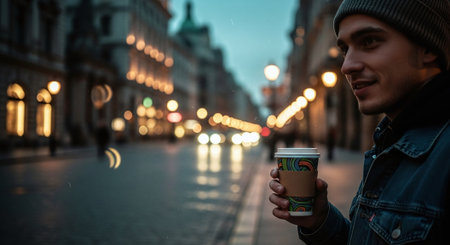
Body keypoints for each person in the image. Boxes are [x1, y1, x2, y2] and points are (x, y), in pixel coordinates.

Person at [269, 0, 450, 244]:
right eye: (345, 50)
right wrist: (321, 221)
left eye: (369, 41)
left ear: (427, 47)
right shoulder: (389, 143)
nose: (347, 66)